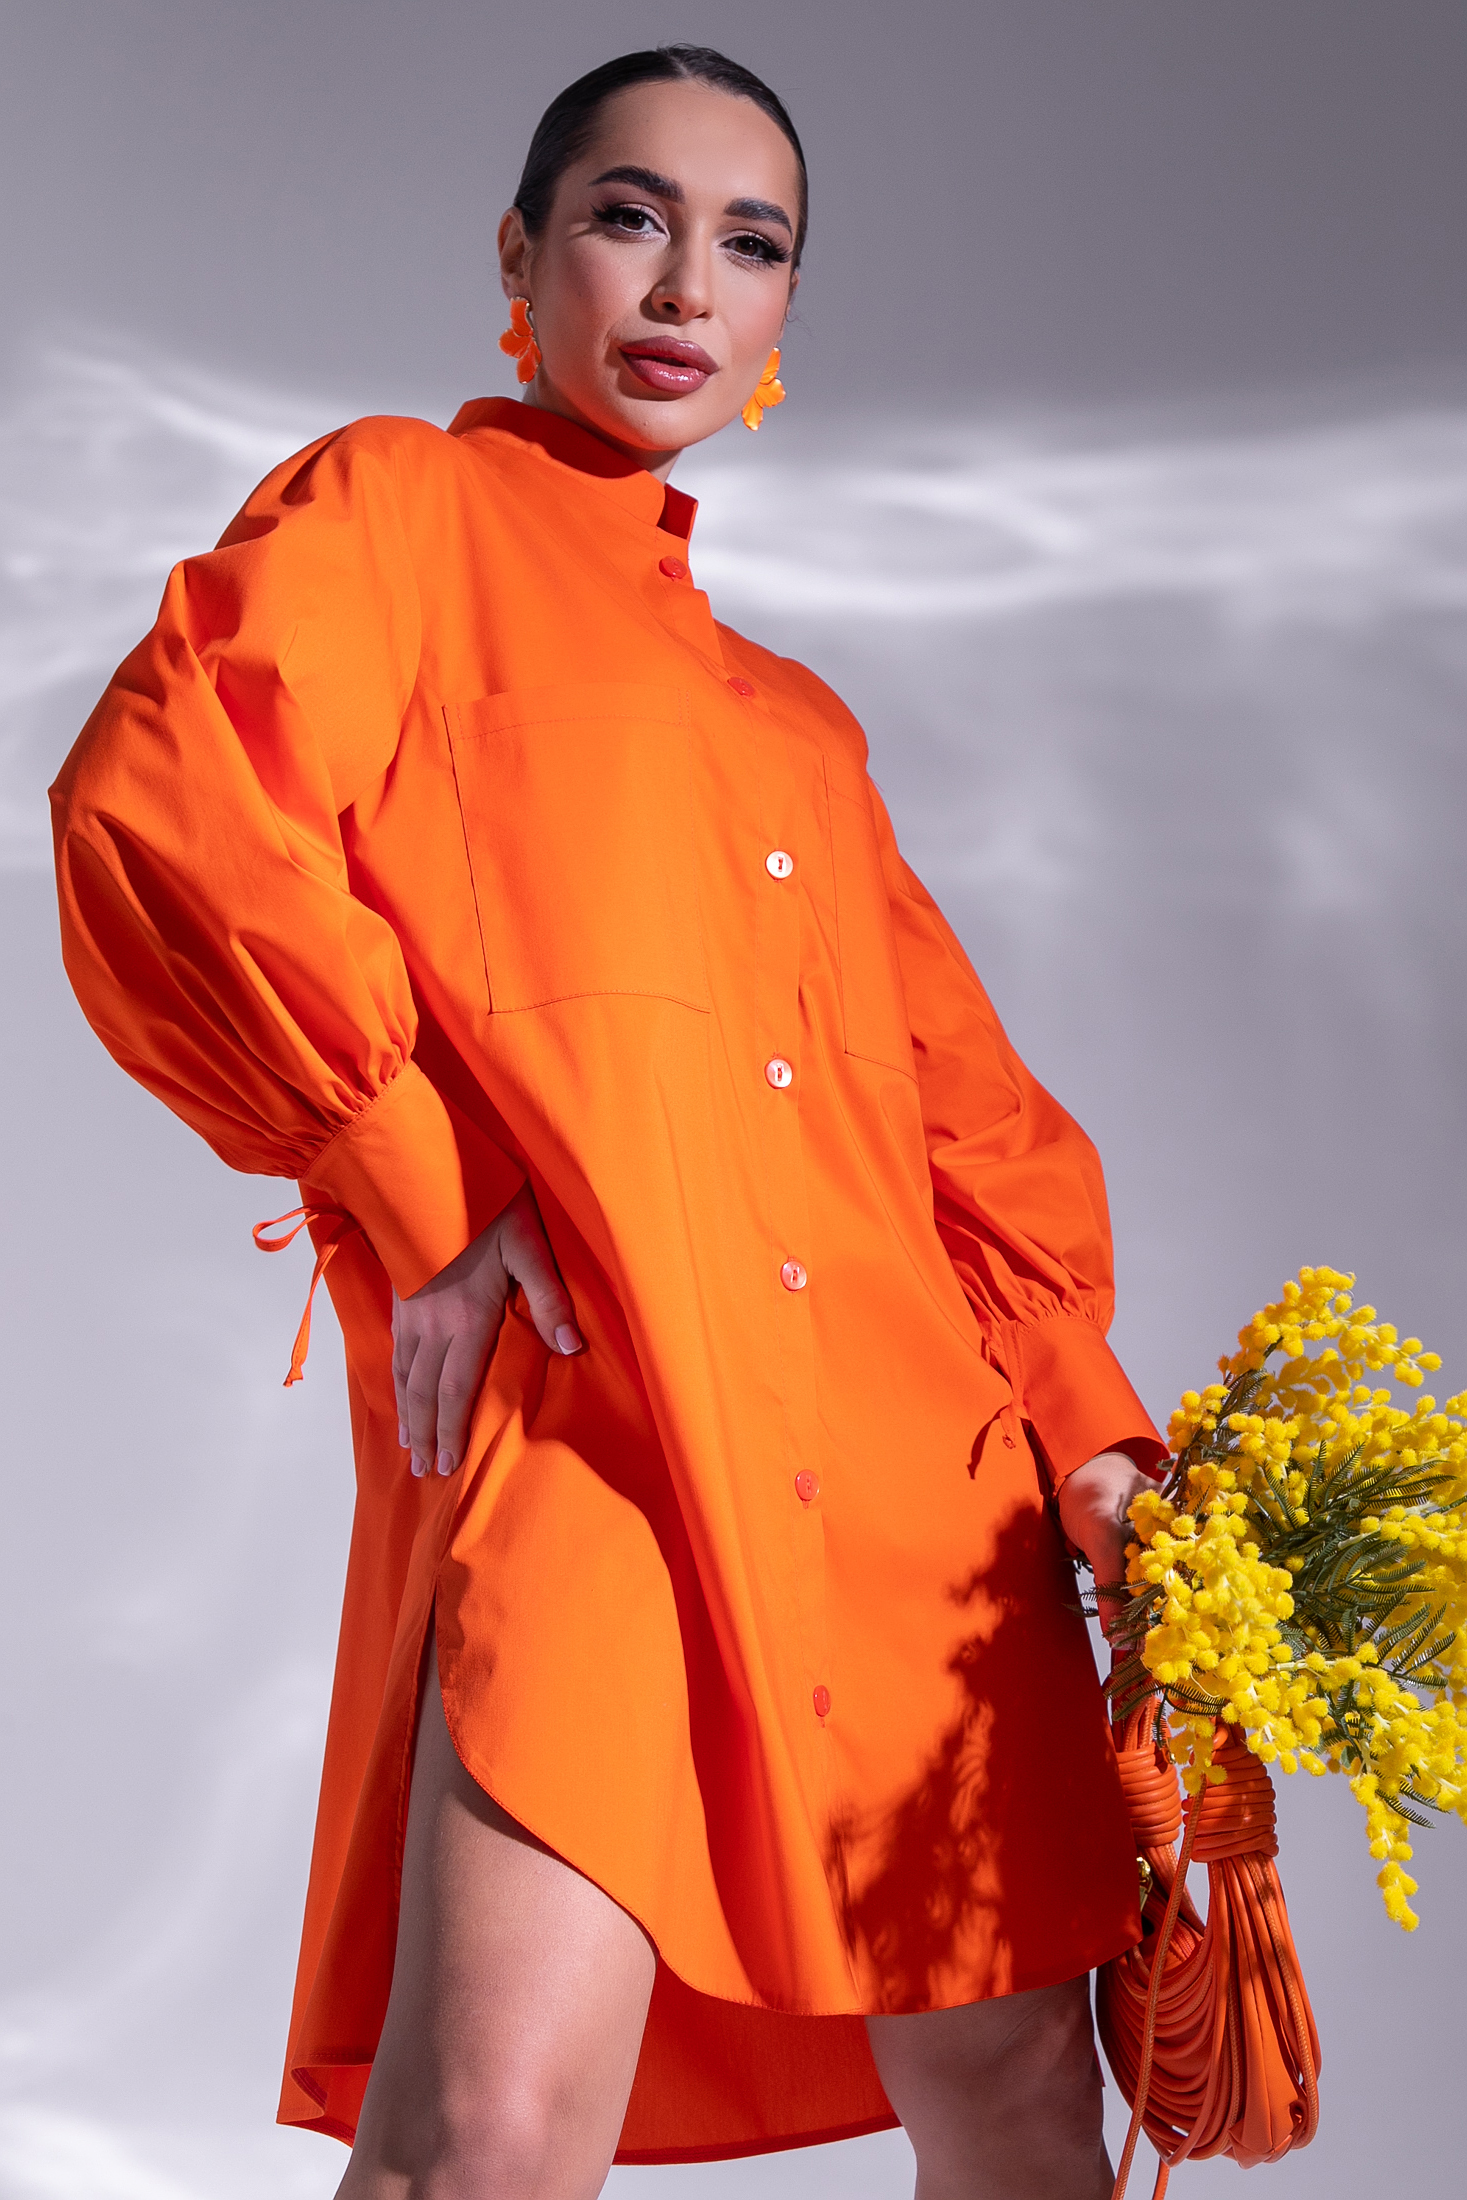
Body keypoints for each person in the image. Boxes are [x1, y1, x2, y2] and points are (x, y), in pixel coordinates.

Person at [51, 44, 1168, 2200]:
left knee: (1027, 2122)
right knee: (482, 2135)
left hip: (921, 1493)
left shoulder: (797, 730)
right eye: (627, 217)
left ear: (783, 311)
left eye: (750, 243)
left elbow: (961, 1122)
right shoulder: (395, 512)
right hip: (603, 1430)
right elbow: (164, 811)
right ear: (520, 252)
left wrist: (1093, 1436)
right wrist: (423, 1182)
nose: (683, 286)